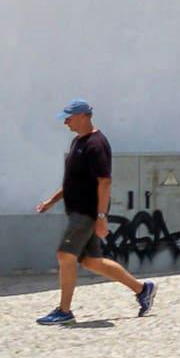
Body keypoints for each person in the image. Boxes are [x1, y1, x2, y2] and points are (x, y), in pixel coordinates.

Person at [36, 101, 151, 325]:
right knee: (92, 261)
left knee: (65, 255)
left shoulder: (96, 144)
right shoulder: (78, 141)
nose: (66, 122)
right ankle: (142, 289)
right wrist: (51, 201)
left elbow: (105, 181)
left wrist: (101, 216)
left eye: (69, 117)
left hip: (86, 212)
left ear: (83, 116)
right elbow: (73, 181)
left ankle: (64, 311)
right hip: (78, 210)